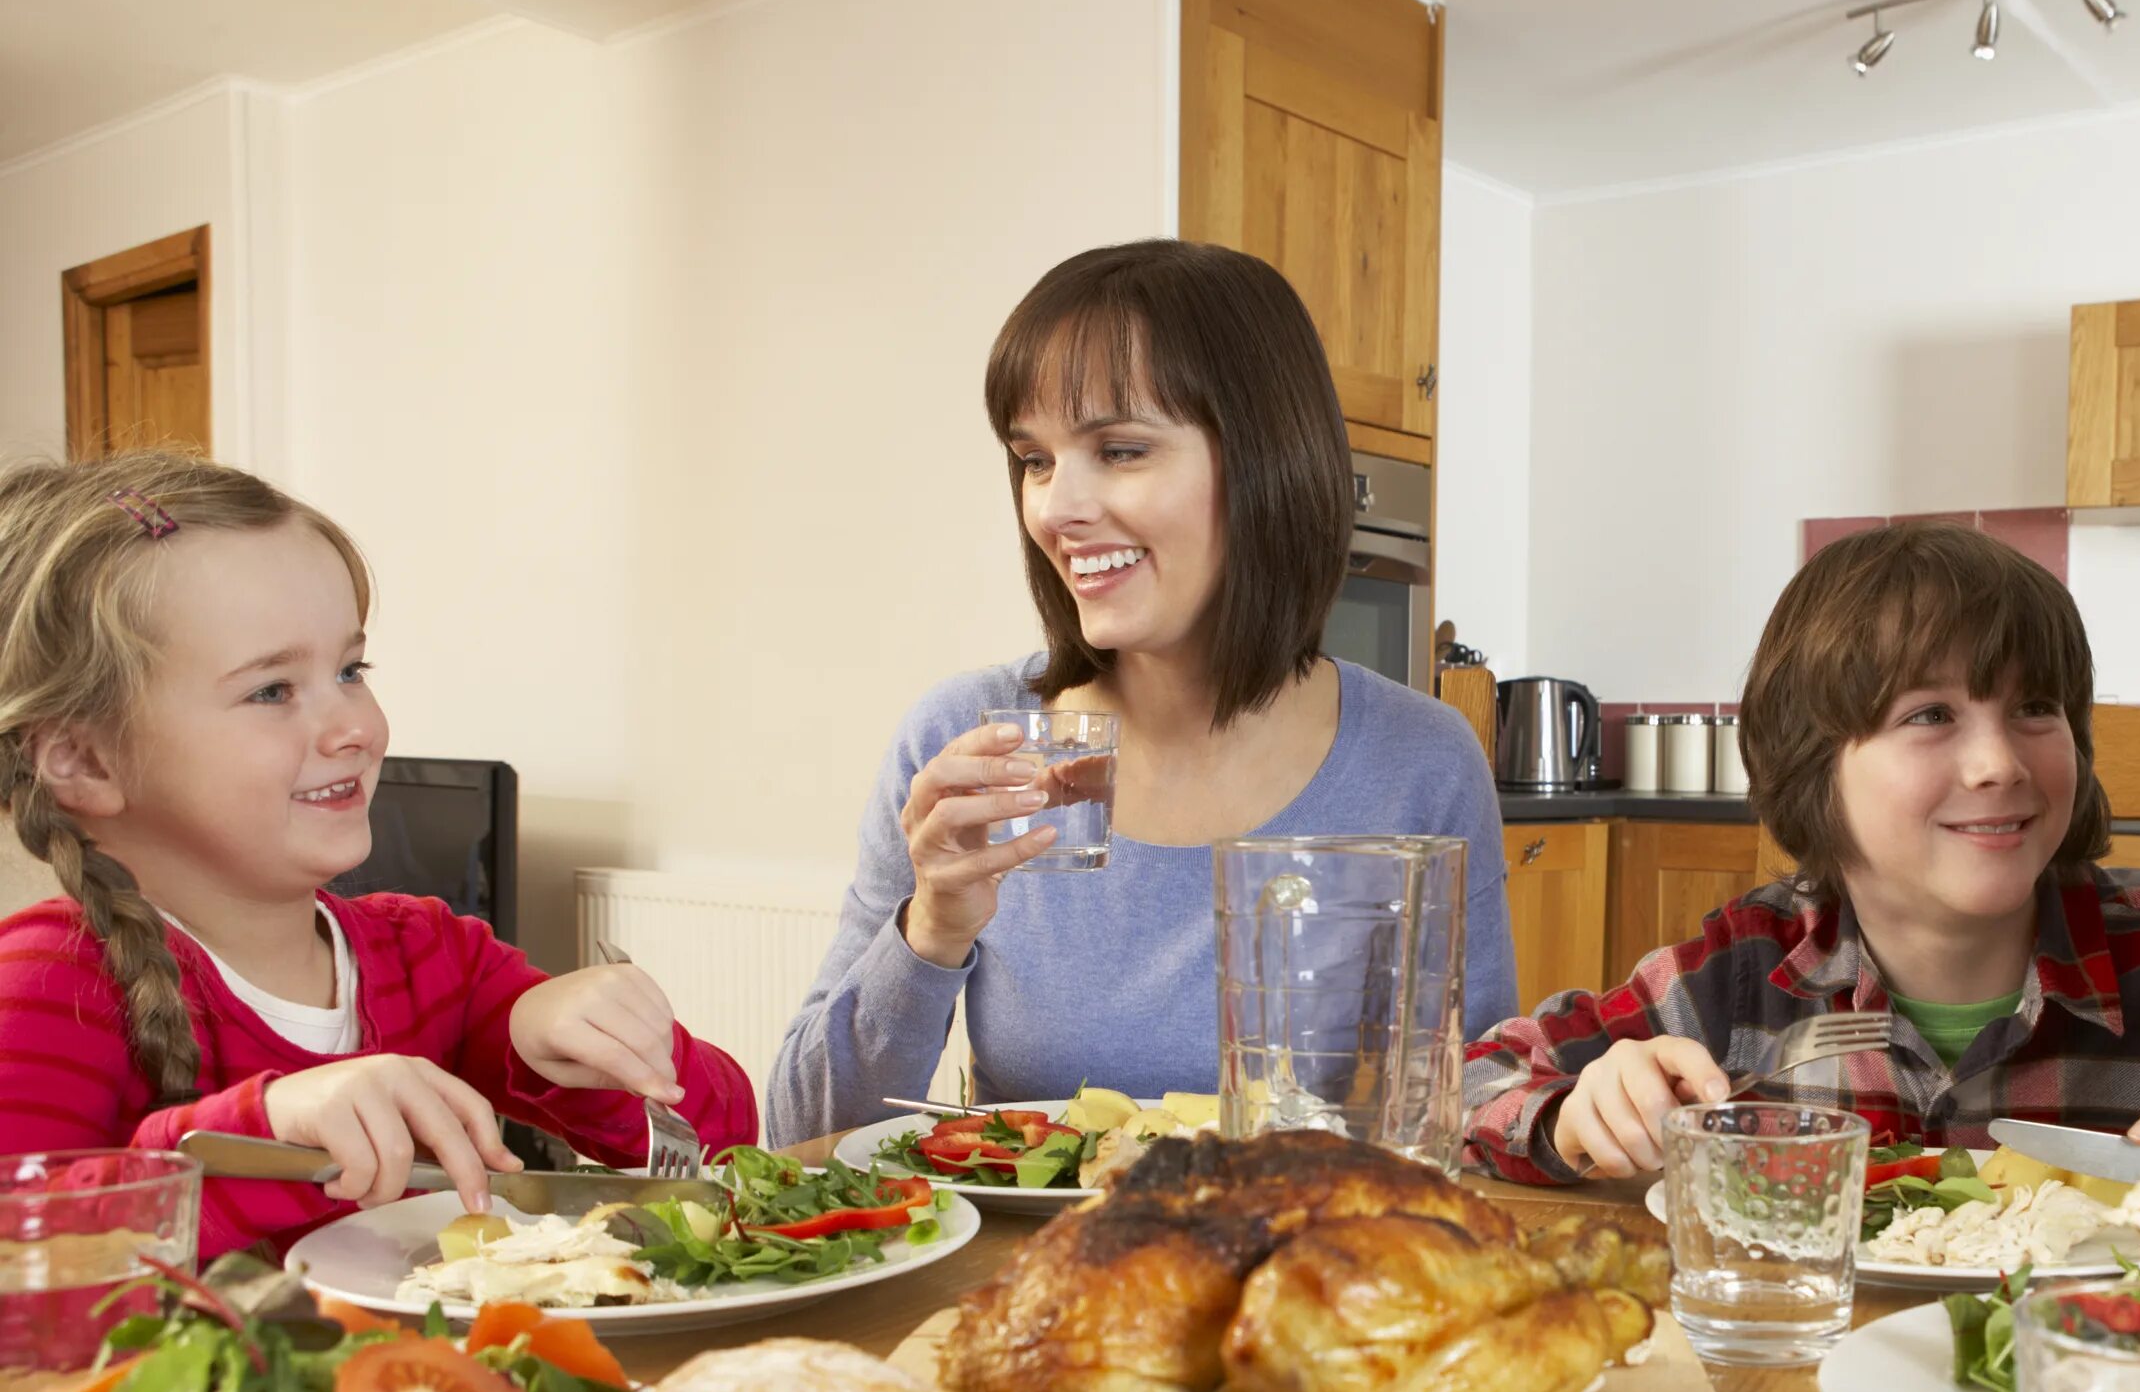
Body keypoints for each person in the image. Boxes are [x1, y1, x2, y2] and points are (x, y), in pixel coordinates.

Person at [1463, 520, 2140, 1260]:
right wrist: (1574, 1115)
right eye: (1930, 715)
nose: (1999, 759)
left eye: (2035, 708)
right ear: (1813, 768)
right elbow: (1469, 1083)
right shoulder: (1741, 971)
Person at [768, 242, 1512, 1135]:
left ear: (1264, 463)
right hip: (1047, 1275)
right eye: (1034, 460)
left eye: (1119, 450)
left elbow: (1484, 1109)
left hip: (1312, 1267)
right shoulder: (965, 744)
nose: (1055, 507)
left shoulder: (1420, 763)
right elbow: (800, 1133)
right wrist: (931, 930)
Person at [0, 450, 754, 1260]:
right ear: (84, 761)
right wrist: (263, 1133)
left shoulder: (434, 956)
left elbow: (731, 1143)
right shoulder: (48, 985)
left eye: (351, 669)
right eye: (271, 691)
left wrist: (608, 1052)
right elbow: (21, 1246)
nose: (355, 727)